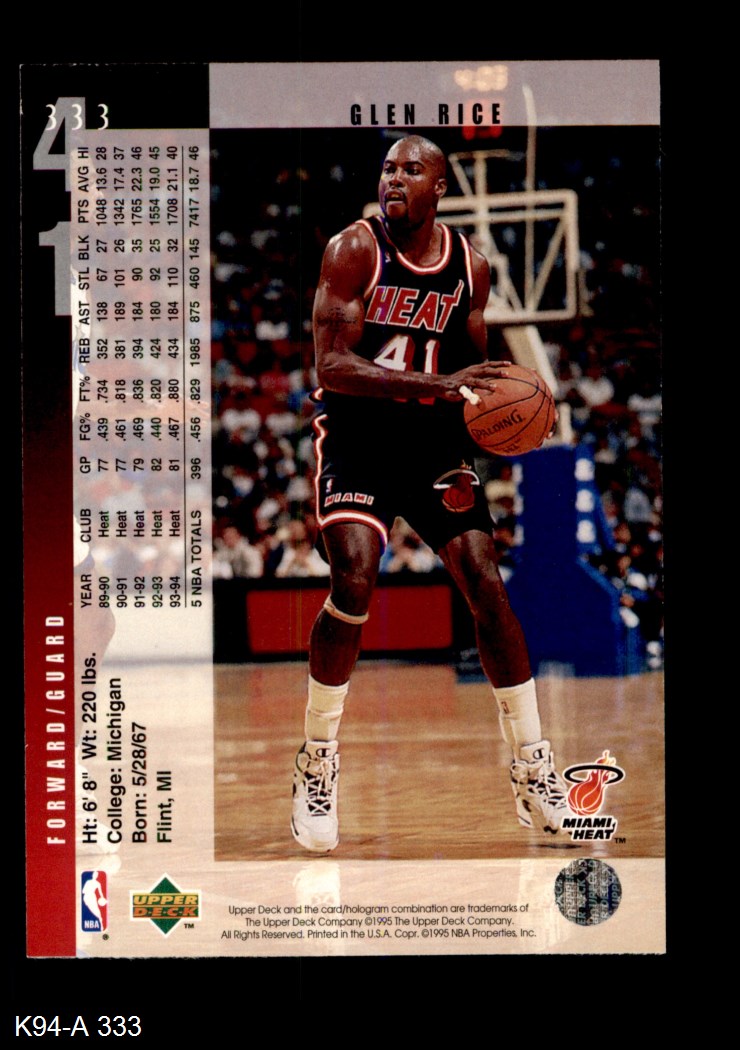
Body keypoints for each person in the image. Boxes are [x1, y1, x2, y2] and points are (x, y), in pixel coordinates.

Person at [291, 135, 568, 852]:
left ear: (439, 187)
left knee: (486, 584)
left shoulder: (471, 268)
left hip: (433, 444)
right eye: (388, 168)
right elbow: (331, 365)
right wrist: (439, 386)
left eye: (411, 170)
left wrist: (512, 412)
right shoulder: (354, 250)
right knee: (354, 579)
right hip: (358, 436)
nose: (395, 179)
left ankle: (533, 769)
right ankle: (318, 759)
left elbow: (474, 375)